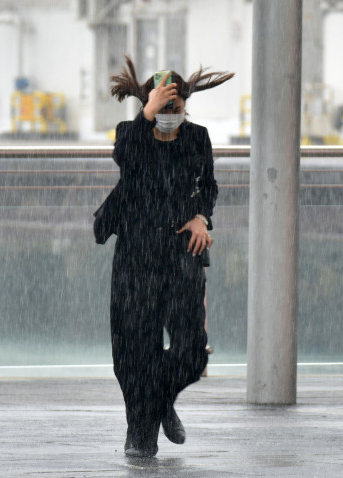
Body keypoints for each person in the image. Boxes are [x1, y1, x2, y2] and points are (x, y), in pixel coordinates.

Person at [95, 56, 232, 457]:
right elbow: (126, 160)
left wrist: (202, 217)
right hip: (136, 255)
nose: (172, 117)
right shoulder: (131, 134)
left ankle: (159, 403)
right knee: (134, 353)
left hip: (180, 255)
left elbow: (208, 185)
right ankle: (141, 436)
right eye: (164, 109)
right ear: (151, 106)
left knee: (192, 350)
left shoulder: (197, 138)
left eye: (177, 109)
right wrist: (147, 116)